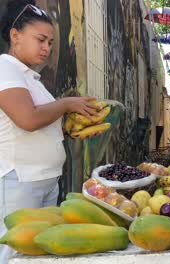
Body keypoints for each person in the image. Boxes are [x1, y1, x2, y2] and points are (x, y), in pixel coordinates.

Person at [0, 1, 98, 262]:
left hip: (44, 180)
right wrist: (66, 103)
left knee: (36, 254)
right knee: (13, 252)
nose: (47, 48)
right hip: (20, 181)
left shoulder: (30, 77)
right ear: (15, 35)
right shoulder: (5, 69)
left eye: (51, 43)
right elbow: (28, 119)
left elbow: (40, 125)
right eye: (41, 39)